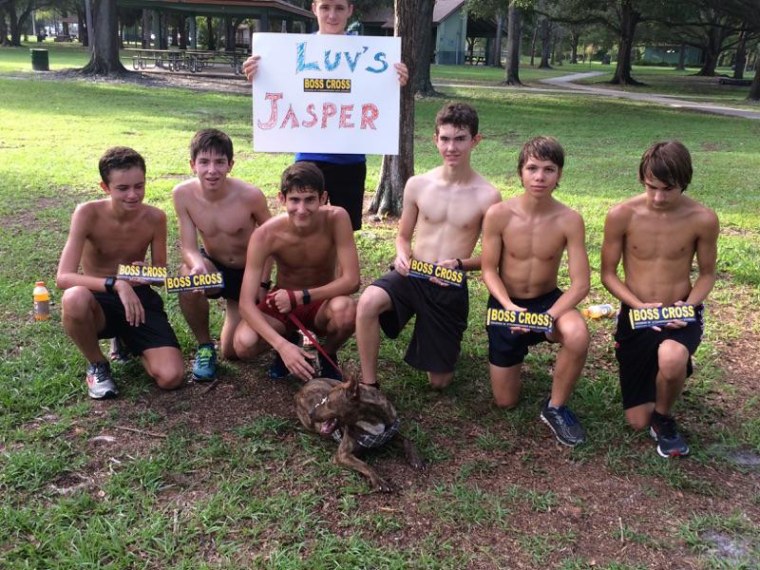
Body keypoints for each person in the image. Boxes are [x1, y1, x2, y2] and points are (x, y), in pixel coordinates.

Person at [355, 102, 501, 390]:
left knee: (439, 383)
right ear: (435, 139)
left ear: (475, 141)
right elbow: (402, 236)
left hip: (447, 283)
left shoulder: (488, 196)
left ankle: (435, 336)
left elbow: (491, 257)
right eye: (445, 139)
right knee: (367, 302)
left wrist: (459, 265)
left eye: (460, 139)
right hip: (413, 273)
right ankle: (369, 384)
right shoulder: (418, 184)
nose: (451, 147)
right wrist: (401, 256)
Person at [242, 0, 409, 231]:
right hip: (309, 158)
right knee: (305, 226)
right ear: (314, 8)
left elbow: (375, 92)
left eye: (339, 8)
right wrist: (258, 73)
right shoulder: (290, 51)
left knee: (346, 229)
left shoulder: (371, 54)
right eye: (325, 7)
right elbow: (281, 85)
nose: (332, 15)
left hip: (350, 159)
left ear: (350, 10)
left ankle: (343, 269)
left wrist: (395, 78)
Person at [601, 140, 719, 458]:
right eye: (651, 187)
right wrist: (636, 305)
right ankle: (669, 371)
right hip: (637, 312)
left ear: (684, 181)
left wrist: (689, 305)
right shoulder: (622, 214)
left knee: (670, 358)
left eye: (668, 189)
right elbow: (608, 274)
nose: (658, 197)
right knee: (636, 421)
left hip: (680, 308)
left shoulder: (702, 218)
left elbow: (707, 273)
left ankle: (664, 417)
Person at [481, 136, 590, 447]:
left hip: (548, 302)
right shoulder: (499, 214)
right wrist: (507, 306)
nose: (540, 177)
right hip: (506, 305)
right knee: (505, 402)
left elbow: (581, 283)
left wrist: (546, 318)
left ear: (559, 175)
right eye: (532, 168)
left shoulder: (570, 220)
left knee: (578, 333)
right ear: (520, 172)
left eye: (549, 169)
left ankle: (555, 407)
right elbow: (489, 269)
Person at [56, 147, 184, 399]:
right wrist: (117, 284)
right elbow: (63, 277)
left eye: (139, 186)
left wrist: (149, 273)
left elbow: (160, 276)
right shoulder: (87, 213)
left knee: (172, 377)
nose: (133, 195)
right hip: (99, 300)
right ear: (105, 187)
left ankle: (129, 341)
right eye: (122, 188)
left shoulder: (155, 218)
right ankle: (97, 364)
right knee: (73, 298)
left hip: (139, 301)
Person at [235, 162, 360, 381]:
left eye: (310, 199)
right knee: (243, 344)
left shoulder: (337, 218)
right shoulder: (265, 235)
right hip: (283, 304)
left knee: (347, 312)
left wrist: (301, 297)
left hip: (321, 302)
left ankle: (327, 353)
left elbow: (352, 281)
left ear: (323, 198)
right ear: (281, 199)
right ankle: (289, 341)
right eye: (294, 200)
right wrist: (281, 346)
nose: (301, 209)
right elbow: (245, 304)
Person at [172, 129, 272, 382]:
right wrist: (196, 266)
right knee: (187, 279)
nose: (212, 170)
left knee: (234, 352)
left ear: (230, 164)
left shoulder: (250, 195)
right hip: (215, 271)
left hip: (248, 273)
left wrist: (263, 281)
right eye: (204, 162)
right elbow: (188, 246)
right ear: (192, 164)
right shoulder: (182, 194)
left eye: (219, 162)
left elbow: (273, 239)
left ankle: (278, 331)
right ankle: (205, 346)